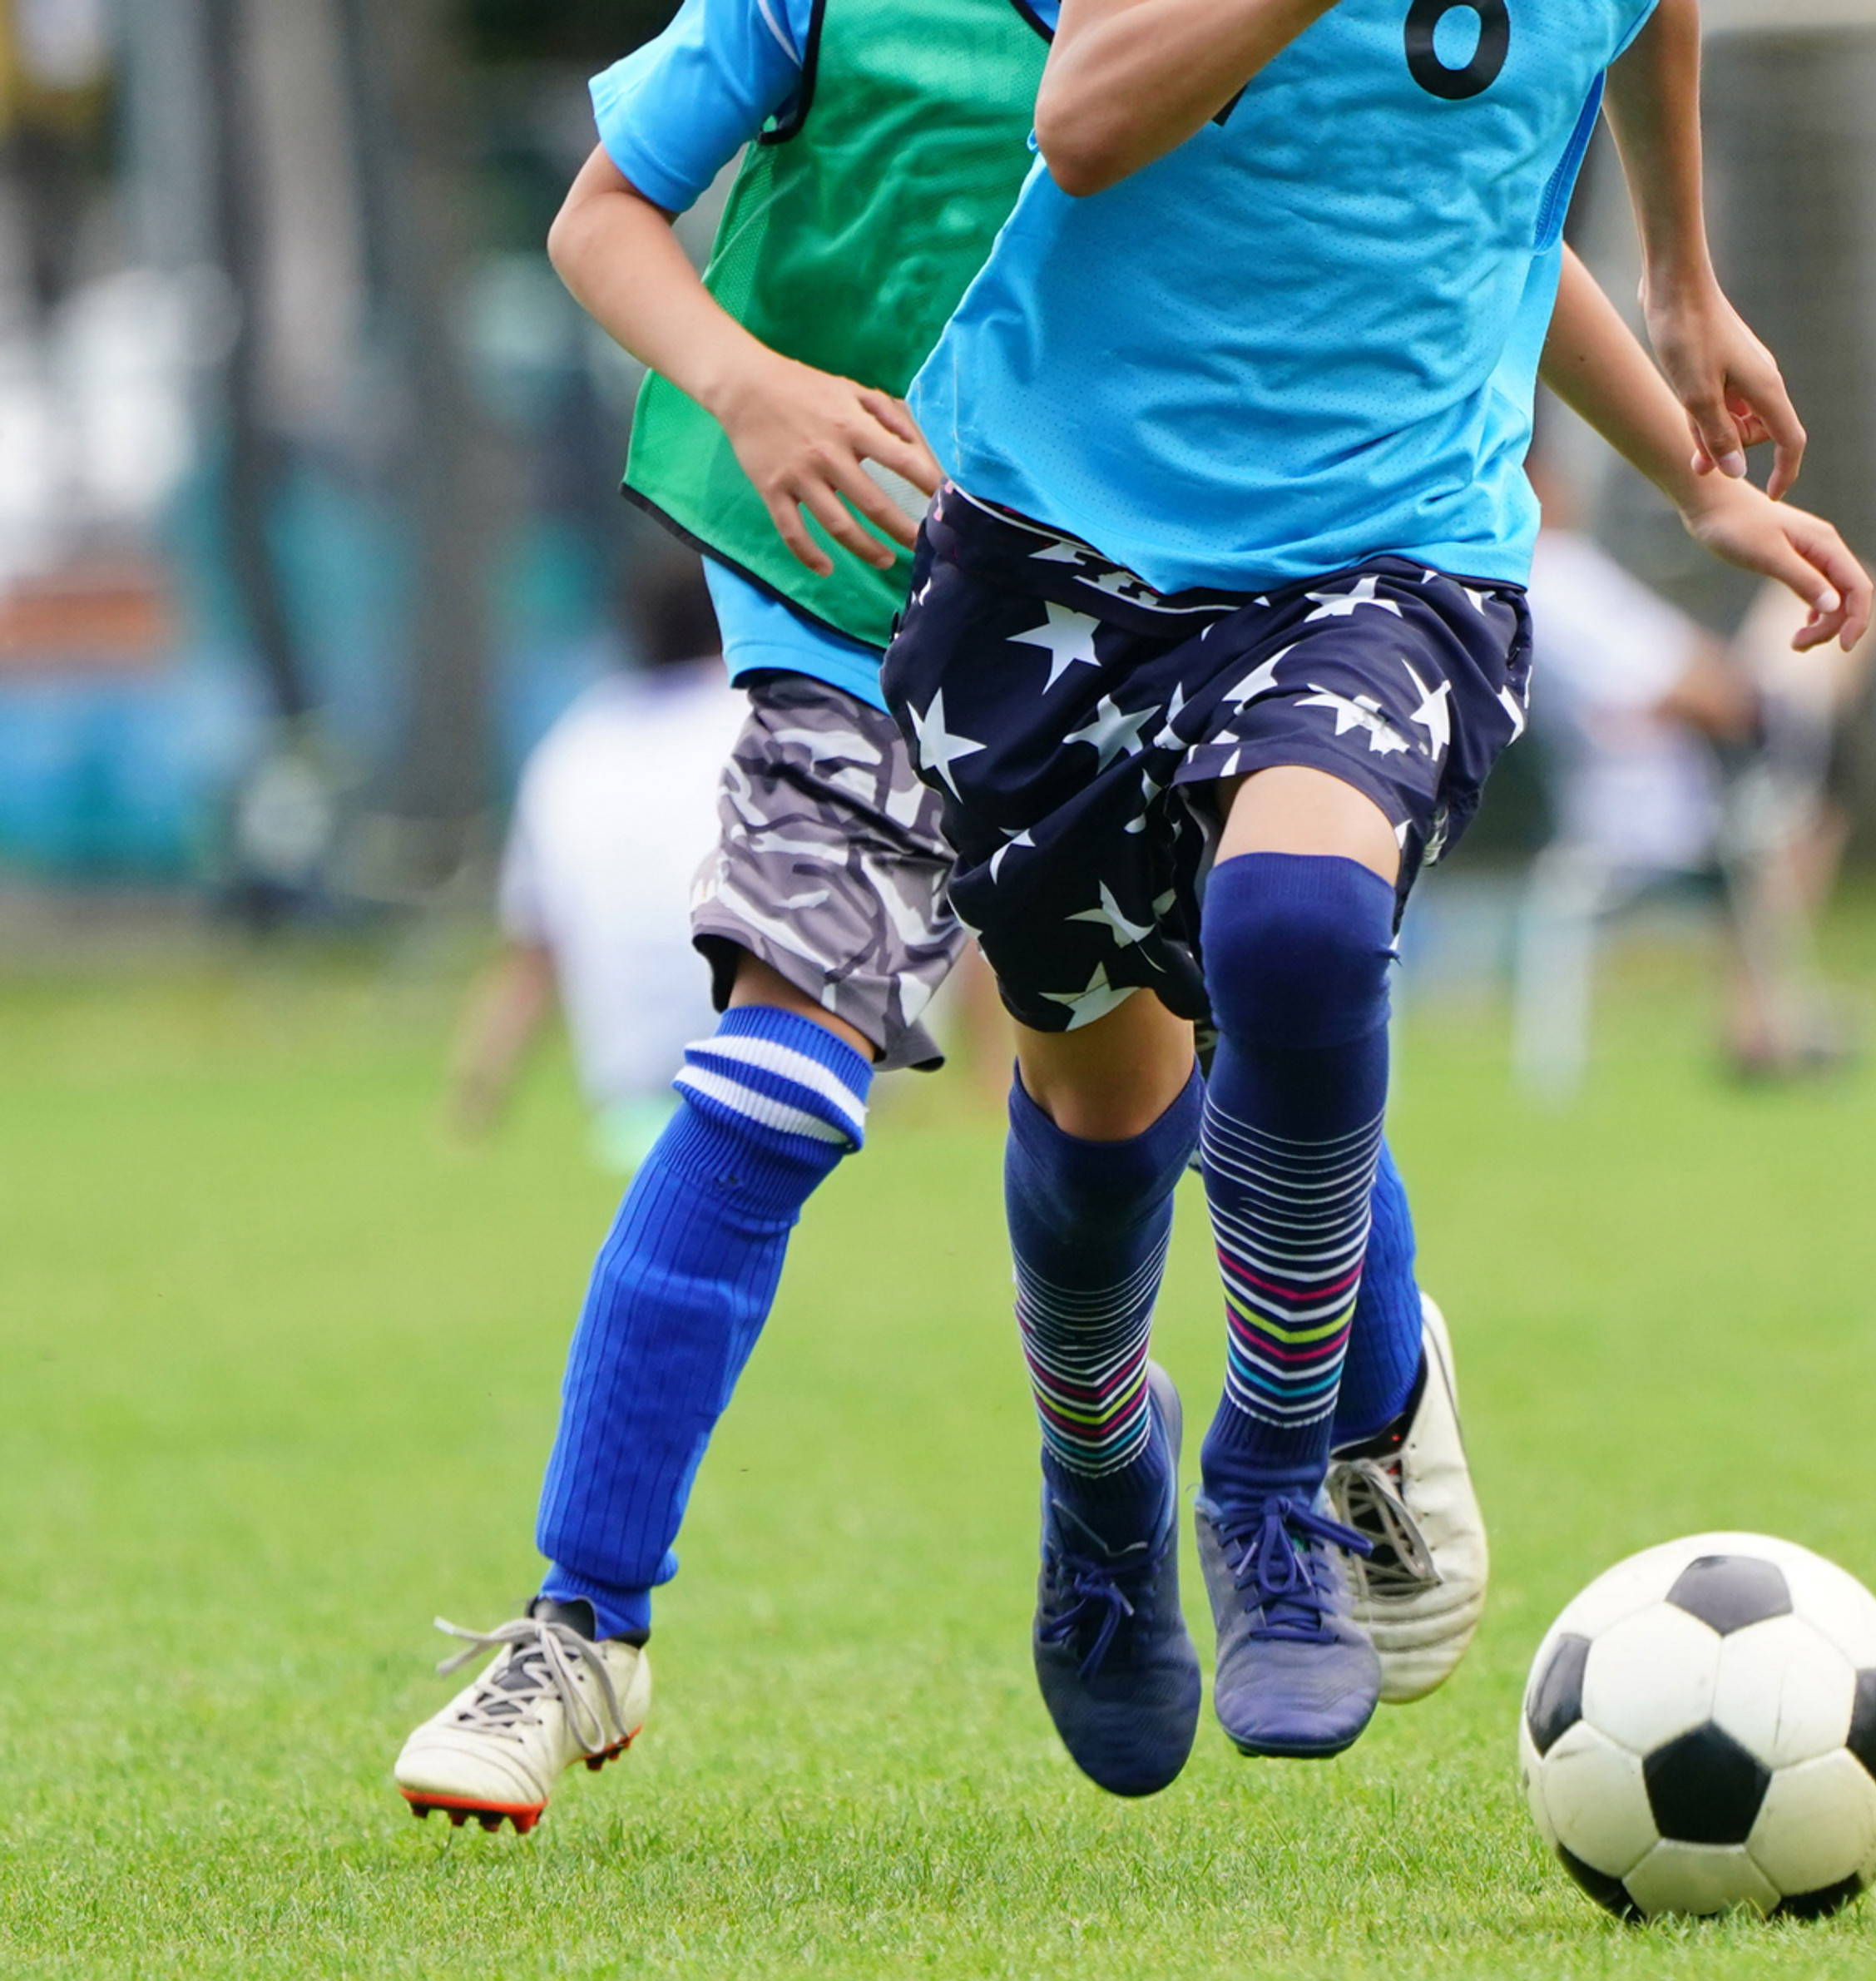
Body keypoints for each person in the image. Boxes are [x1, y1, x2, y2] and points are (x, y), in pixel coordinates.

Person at [390, 0, 1461, 1832]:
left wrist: (1675, 374)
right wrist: (749, 382)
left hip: (1161, 603)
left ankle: (1338, 1409)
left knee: (1246, 999)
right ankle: (580, 1624)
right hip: (855, 607)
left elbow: (1466, 195)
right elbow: (599, 214)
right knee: (776, 1070)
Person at [878, 0, 1873, 1786]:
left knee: (1298, 922)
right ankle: (1098, 1468)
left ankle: (1273, 1478)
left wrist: (1683, 297)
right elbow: (1087, 117)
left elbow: (1609, 53)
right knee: (1103, 1110)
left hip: (1390, 553)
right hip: (1058, 563)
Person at [1516, 438, 1876, 1089]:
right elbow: (1696, 691)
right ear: (1537, 481)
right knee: (1837, 610)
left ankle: (1763, 1013)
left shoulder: (1495, 582)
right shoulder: (1554, 573)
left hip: (1633, 786)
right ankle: (1760, 1016)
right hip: (1663, 797)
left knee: (1810, 765)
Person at [447, 563, 750, 1171]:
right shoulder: (774, 719)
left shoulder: (578, 739)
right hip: (797, 1070)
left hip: (632, 1109)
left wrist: (473, 1101)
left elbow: (532, 952)